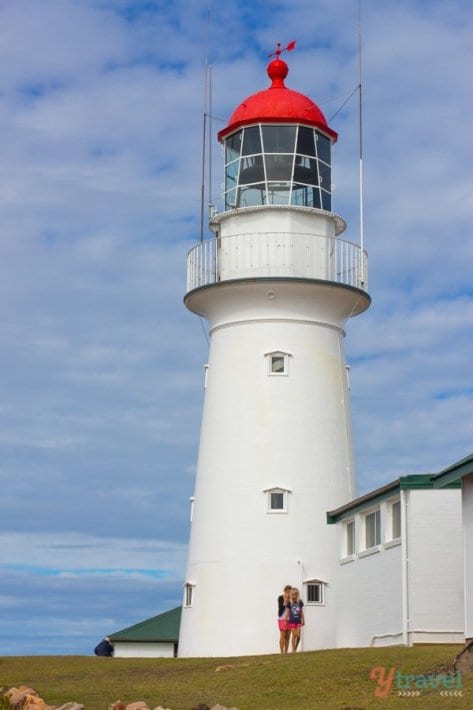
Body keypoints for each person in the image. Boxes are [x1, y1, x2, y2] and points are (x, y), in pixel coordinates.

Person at [286, 587, 304, 652]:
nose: (294, 596)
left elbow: (301, 612)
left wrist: (303, 620)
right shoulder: (289, 603)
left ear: (297, 594)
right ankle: (294, 651)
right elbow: (287, 612)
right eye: (293, 595)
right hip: (292, 621)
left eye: (295, 594)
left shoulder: (300, 602)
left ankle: (295, 648)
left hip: (298, 621)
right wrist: (285, 620)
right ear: (291, 595)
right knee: (294, 635)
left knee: (298, 636)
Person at [277, 584, 292, 653]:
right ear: (284, 591)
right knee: (282, 635)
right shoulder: (280, 598)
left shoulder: (292, 599)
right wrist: (286, 600)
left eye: (290, 592)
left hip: (290, 619)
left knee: (288, 636)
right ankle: (281, 652)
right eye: (287, 591)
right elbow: (281, 607)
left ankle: (286, 652)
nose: (288, 593)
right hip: (282, 619)